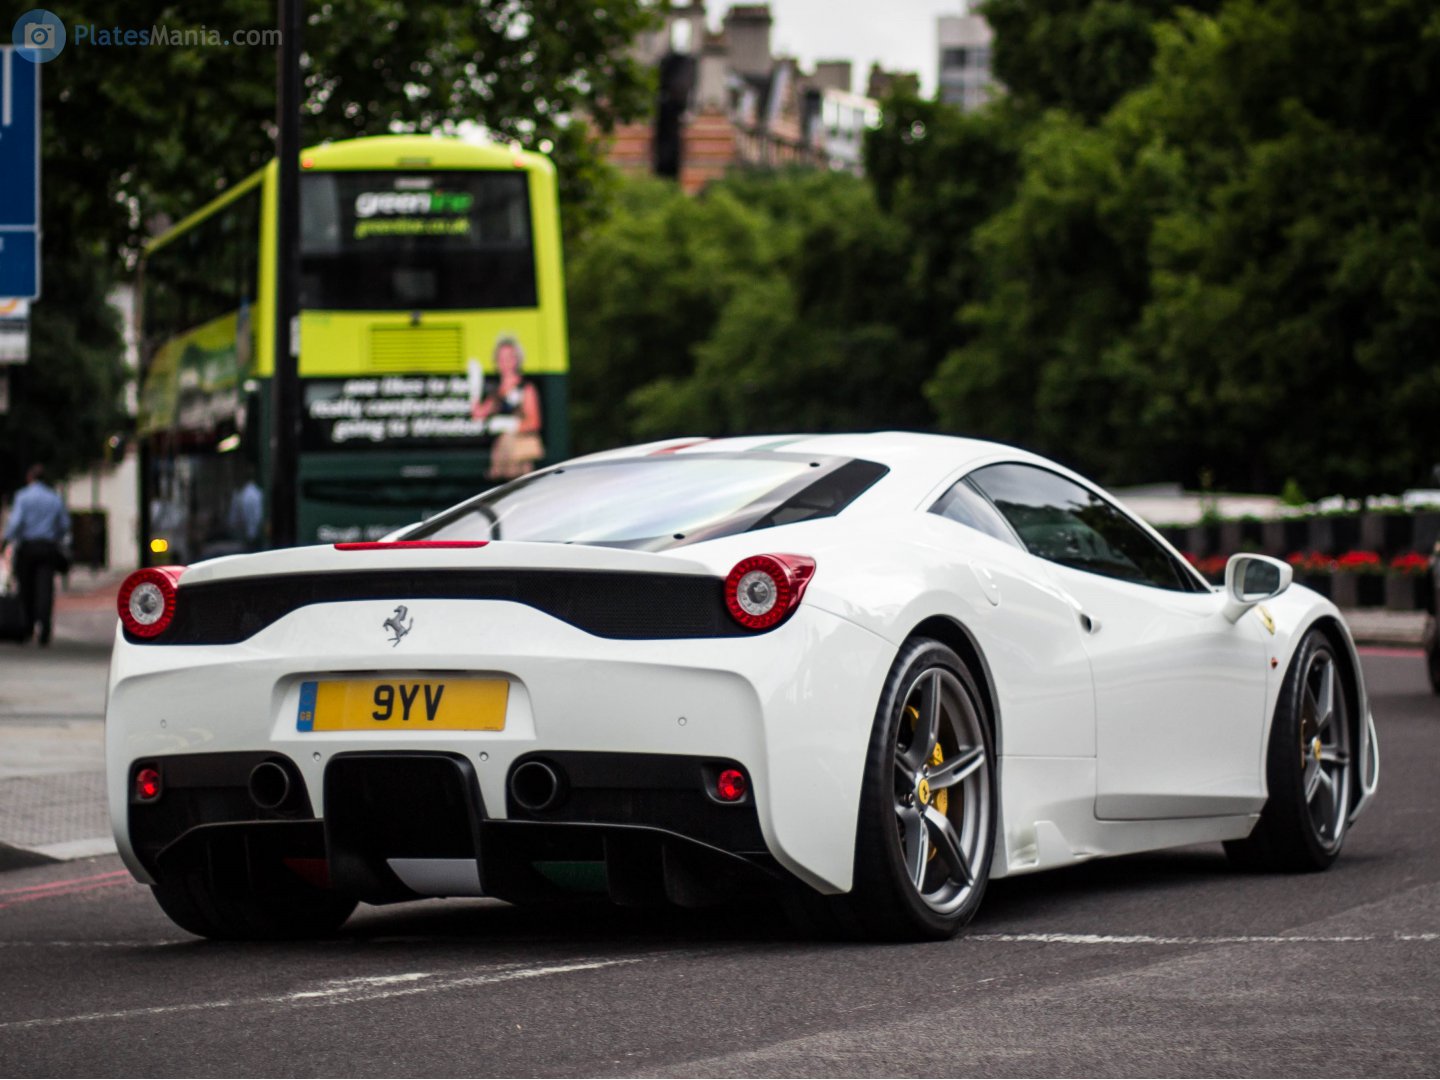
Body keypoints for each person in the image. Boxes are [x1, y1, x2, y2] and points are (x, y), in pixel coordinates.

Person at [2, 464, 71, 646]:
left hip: (28, 548)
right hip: (47, 548)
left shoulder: (23, 496)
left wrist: (6, 541)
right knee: (45, 589)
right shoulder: (54, 498)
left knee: (26, 588)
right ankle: (45, 629)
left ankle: (28, 627)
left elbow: (16, 523)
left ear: (30, 478)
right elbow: (64, 525)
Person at [471, 335, 544, 480]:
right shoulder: (496, 393)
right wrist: (474, 388)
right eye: (501, 357)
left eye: (510, 357)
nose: (505, 362)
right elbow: (477, 415)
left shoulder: (526, 389)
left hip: (519, 455)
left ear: (517, 359)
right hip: (501, 454)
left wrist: (511, 425)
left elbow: (535, 422)